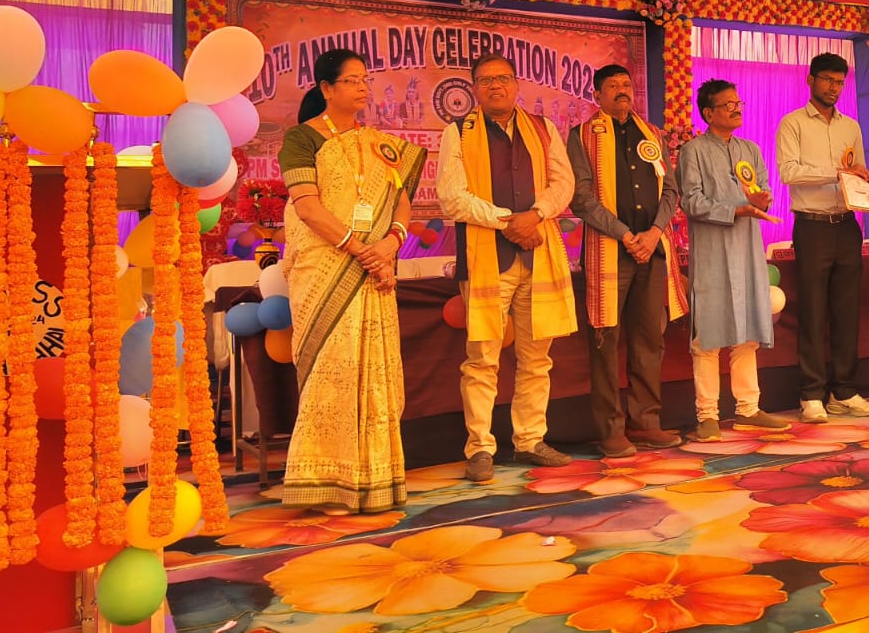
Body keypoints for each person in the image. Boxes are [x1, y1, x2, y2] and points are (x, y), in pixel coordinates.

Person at [278, 49, 426, 514]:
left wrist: (390, 244)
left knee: (376, 374)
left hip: (374, 270)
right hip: (326, 270)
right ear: (326, 88)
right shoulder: (302, 139)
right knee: (332, 372)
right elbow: (307, 206)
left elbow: (401, 200)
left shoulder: (381, 144)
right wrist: (360, 249)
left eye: (366, 79)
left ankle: (375, 480)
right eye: (352, 80)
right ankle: (328, 483)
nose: (363, 87)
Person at [438, 53, 580, 481]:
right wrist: (510, 223)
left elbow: (564, 184)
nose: (495, 86)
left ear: (517, 84)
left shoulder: (543, 128)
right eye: (485, 81)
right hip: (486, 258)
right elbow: (452, 198)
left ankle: (530, 440)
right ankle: (480, 448)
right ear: (474, 90)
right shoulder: (458, 132)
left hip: (539, 256)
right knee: (482, 359)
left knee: (537, 358)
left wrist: (535, 215)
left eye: (502, 79)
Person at [567, 64, 687, 457]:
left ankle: (645, 422)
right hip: (609, 251)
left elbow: (671, 190)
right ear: (597, 95)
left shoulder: (652, 134)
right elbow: (581, 198)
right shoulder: (582, 136)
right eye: (613, 86)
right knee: (605, 341)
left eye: (626, 84)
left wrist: (653, 232)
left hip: (652, 249)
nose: (622, 90)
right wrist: (624, 234)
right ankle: (610, 429)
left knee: (649, 340)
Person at [676, 80, 792, 441]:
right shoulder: (693, 151)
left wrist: (761, 200)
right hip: (711, 251)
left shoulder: (750, 149)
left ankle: (748, 409)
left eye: (738, 103)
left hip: (747, 250)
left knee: (747, 333)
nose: (737, 109)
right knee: (708, 336)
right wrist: (737, 209)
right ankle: (707, 415)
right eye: (728, 105)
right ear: (708, 113)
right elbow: (691, 201)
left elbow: (762, 190)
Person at [775, 53, 869, 424]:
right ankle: (811, 394)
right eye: (827, 80)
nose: (834, 88)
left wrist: (864, 183)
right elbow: (789, 172)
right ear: (811, 80)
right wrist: (836, 171)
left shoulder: (850, 126)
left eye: (839, 82)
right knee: (813, 311)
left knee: (847, 311)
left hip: (848, 224)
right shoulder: (792, 123)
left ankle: (844, 391)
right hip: (812, 226)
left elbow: (855, 170)